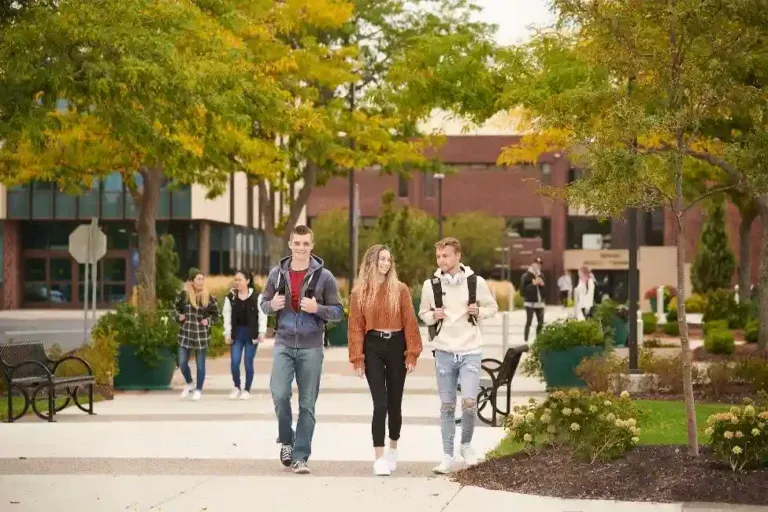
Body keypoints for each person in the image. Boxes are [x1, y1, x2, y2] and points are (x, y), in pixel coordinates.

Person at [260, 225, 344, 475]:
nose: (301, 248)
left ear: (311, 246)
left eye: (305, 244)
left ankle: (300, 456)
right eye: (297, 243)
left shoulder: (324, 277)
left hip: (311, 347)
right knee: (279, 393)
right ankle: (287, 440)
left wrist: (316, 308)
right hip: (284, 343)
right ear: (290, 245)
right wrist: (271, 305)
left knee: (307, 404)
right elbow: (264, 304)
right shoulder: (277, 274)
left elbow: (339, 312)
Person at [419, 237, 498, 474]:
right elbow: (423, 312)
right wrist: (434, 316)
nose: (441, 260)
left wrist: (479, 311)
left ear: (458, 256)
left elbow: (493, 308)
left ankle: (466, 445)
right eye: (439, 256)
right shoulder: (430, 285)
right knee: (446, 406)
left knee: (470, 403)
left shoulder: (476, 282)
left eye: (446, 256)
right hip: (443, 350)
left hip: (470, 350)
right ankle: (447, 455)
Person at [348, 245, 423, 476]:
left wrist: (412, 352)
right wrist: (357, 358)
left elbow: (410, 321)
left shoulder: (400, 290)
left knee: (394, 404)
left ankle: (393, 448)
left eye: (388, 260)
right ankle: (379, 458)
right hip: (373, 346)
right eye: (381, 259)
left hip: (396, 345)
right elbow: (355, 328)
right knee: (380, 404)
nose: (385, 263)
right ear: (372, 261)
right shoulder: (359, 293)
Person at [175, 268, 220, 401]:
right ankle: (189, 383)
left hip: (201, 335)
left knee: (200, 364)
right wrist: (179, 316)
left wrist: (209, 321)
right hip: (186, 334)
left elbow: (216, 315)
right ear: (191, 281)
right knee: (182, 362)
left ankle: (198, 389)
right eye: (198, 279)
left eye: (202, 279)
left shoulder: (208, 297)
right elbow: (175, 309)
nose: (201, 282)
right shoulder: (184, 296)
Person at [223, 269, 267, 400]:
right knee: (235, 362)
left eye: (239, 280)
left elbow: (262, 315)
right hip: (237, 334)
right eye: (235, 280)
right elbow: (226, 316)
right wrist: (227, 333)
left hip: (251, 334)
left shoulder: (257, 297)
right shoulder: (230, 297)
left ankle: (247, 389)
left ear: (247, 281)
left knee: (248, 362)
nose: (237, 282)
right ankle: (237, 387)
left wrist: (262, 332)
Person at [520, 257, 546, 342]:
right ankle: (526, 340)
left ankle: (538, 339)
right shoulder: (526, 276)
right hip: (529, 303)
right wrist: (533, 284)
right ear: (532, 264)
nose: (538, 266)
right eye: (536, 263)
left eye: (539, 264)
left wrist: (542, 284)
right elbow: (522, 291)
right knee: (529, 322)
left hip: (540, 303)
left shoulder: (541, 275)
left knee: (541, 322)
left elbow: (545, 290)